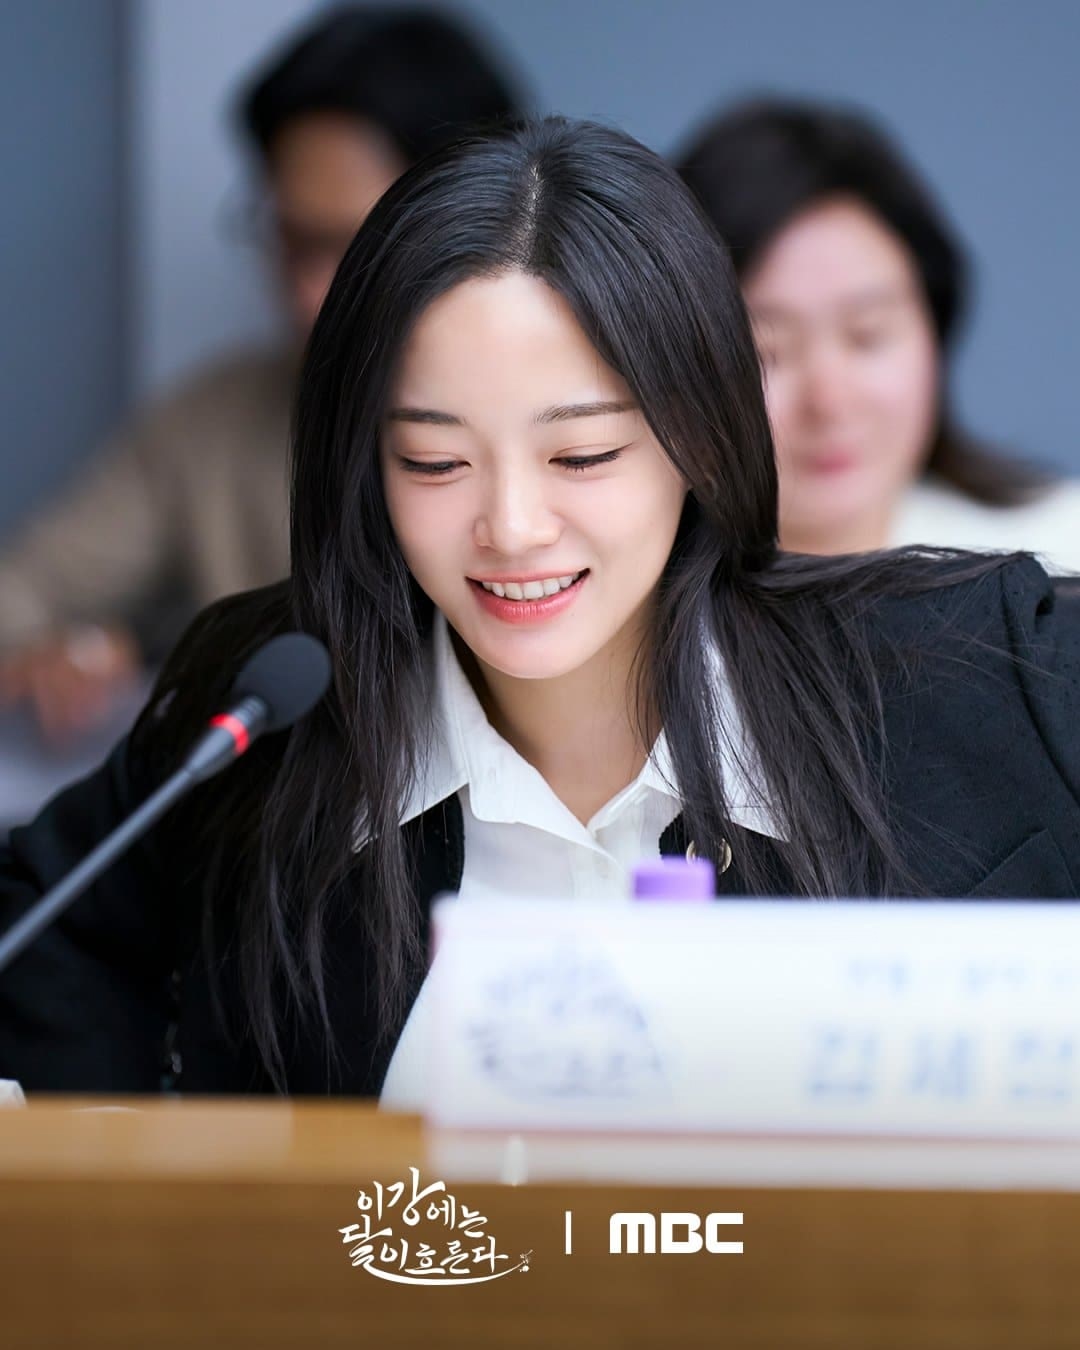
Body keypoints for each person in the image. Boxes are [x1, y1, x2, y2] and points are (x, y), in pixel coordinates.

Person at [0, 117, 1077, 1099]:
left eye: (582, 455)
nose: (512, 527)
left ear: (700, 439)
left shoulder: (992, 667)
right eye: (434, 461)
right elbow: (45, 932)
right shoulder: (268, 712)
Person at [0, 5, 523, 742]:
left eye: (352, 245)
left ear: (475, 221)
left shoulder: (567, 429)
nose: (312, 294)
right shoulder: (214, 420)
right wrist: (65, 650)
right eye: (291, 241)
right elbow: (23, 588)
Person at [675, 98, 1080, 566]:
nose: (830, 401)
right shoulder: (621, 598)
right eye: (764, 352)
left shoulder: (1059, 556)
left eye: (867, 335)